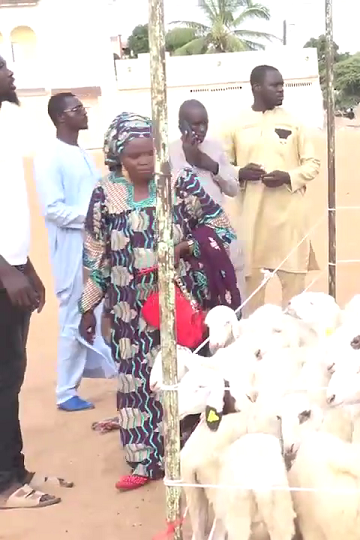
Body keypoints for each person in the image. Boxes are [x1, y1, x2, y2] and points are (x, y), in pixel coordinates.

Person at [78, 112, 236, 491]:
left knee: (183, 378)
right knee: (136, 384)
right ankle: (144, 461)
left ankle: (187, 457)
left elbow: (220, 227)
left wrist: (185, 247)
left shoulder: (179, 184)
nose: (145, 161)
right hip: (127, 310)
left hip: (179, 303)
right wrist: (88, 308)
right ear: (117, 157)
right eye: (134, 156)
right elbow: (96, 254)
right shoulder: (105, 194)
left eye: (150, 152)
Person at [0, 54, 74, 510]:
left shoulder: (5, 127)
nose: (9, 73)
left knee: (11, 375)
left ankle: (15, 469)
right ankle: (4, 485)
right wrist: (5, 270)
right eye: (0, 68)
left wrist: (24, 265)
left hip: (11, 270)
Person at [33, 92, 116, 413]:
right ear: (61, 117)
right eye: (76, 109)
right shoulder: (49, 156)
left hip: (93, 247)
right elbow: (53, 209)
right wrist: (92, 217)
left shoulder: (80, 152)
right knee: (73, 315)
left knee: (95, 310)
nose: (84, 112)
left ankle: (99, 373)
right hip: (71, 250)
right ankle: (65, 392)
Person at [223, 65, 321, 313]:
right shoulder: (235, 124)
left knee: (295, 302)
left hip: (289, 222)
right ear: (256, 87)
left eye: (282, 85)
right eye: (274, 85)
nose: (281, 90)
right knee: (251, 300)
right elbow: (220, 166)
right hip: (251, 222)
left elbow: (312, 164)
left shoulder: (294, 123)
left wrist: (288, 177)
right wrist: (240, 173)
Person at [170, 99, 246, 303]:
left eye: (205, 123)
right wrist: (189, 159)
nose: (202, 129)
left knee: (231, 293)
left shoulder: (215, 148)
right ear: (181, 125)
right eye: (195, 124)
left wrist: (211, 166)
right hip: (186, 239)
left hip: (218, 233)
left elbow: (233, 189)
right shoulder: (169, 153)